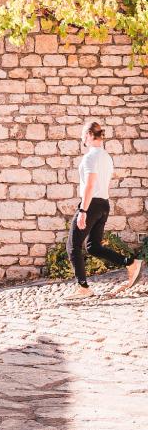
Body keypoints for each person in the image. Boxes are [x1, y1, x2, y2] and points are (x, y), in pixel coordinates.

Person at [66, 120, 142, 299]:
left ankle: (83, 288)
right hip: (103, 204)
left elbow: (90, 184)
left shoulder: (90, 157)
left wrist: (83, 211)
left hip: (91, 205)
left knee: (72, 246)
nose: (82, 140)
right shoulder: (107, 157)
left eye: (84, 136)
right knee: (93, 247)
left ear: (91, 136)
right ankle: (130, 263)